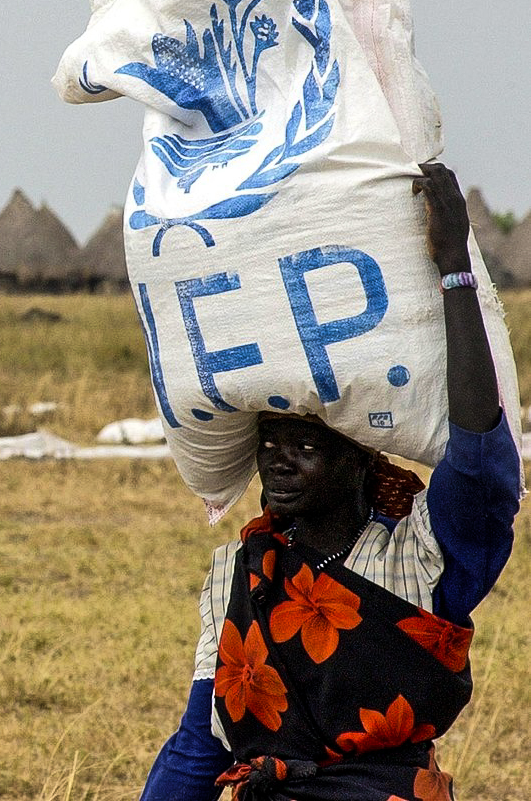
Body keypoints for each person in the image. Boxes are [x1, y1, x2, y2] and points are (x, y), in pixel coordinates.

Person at [140, 164, 522, 801]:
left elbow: (481, 463)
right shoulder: (241, 574)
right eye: (267, 442)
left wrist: (452, 264)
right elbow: (200, 740)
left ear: (360, 458)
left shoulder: (417, 554)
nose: (277, 461)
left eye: (307, 445)